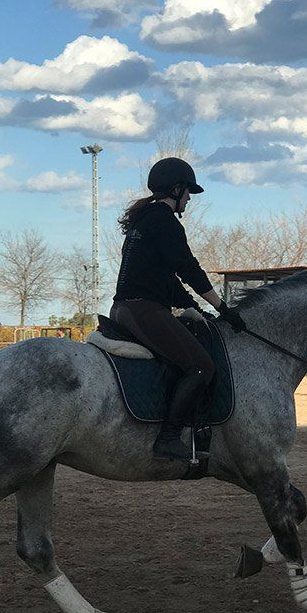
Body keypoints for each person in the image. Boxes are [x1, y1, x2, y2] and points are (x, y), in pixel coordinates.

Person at [110, 157, 246, 461]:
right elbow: (187, 268)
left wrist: (192, 306)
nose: (189, 199)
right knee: (201, 366)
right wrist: (223, 308)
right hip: (143, 310)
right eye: (188, 192)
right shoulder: (165, 221)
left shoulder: (144, 221)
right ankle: (168, 438)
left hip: (125, 309)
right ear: (175, 189)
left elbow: (166, 278)